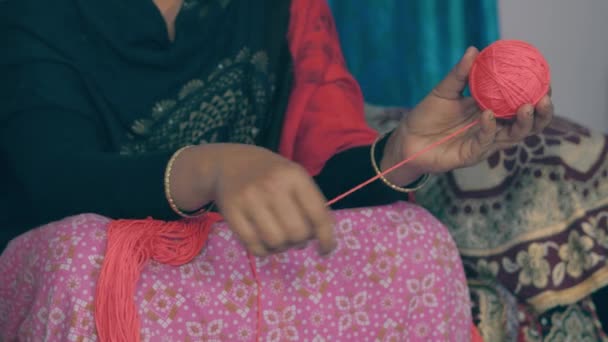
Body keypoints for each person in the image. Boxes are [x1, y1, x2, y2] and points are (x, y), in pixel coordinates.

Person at [0, 0, 553, 340]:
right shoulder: (31, 11)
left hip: (235, 255)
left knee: (416, 240)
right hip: (98, 263)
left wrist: (403, 150)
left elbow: (314, 186)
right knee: (76, 257)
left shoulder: (287, 6)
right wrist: (212, 169)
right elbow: (52, 179)